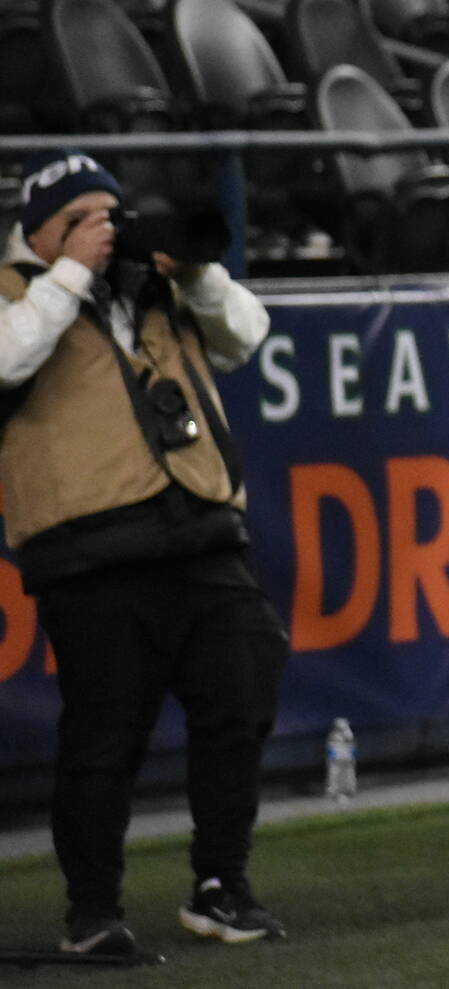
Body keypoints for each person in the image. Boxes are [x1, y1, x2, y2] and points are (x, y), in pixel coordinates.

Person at [0, 150, 285, 957]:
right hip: (89, 551)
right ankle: (93, 912)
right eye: (82, 220)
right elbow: (6, 356)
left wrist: (195, 273)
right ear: (42, 231)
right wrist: (67, 276)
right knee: (104, 735)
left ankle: (221, 886)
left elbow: (247, 336)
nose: (104, 233)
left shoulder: (159, 291)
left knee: (243, 690)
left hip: (200, 533)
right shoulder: (16, 290)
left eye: (111, 216)